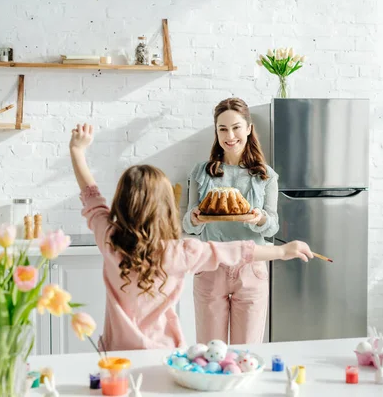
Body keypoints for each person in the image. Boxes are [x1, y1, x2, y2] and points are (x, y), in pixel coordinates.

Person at [69, 122, 313, 351]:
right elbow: (236, 250)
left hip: (114, 355)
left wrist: (77, 151)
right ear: (165, 208)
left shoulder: (110, 239)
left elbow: (92, 198)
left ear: (120, 202)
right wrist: (282, 251)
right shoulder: (178, 252)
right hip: (163, 354)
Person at [182, 97, 280, 345]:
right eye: (222, 128)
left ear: (248, 128)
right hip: (210, 266)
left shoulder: (265, 176)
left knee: (246, 352)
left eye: (236, 127)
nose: (230, 135)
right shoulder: (202, 172)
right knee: (209, 350)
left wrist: (259, 219)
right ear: (216, 131)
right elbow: (188, 224)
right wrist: (194, 218)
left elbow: (273, 226)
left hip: (250, 268)